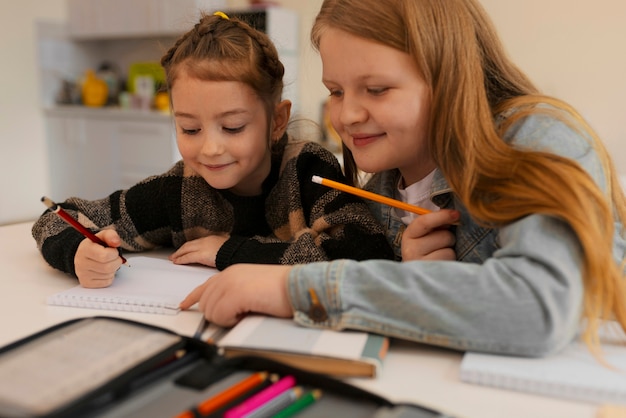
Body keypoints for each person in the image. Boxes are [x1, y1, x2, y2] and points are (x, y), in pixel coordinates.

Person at [181, 0, 626, 358]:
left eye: (377, 90)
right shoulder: (378, 192)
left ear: (448, 76)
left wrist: (293, 289)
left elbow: (535, 307)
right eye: (336, 91)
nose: (347, 115)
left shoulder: (535, 137)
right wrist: (410, 276)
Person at [32, 11, 394, 289]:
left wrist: (229, 251)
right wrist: (78, 252)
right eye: (190, 128)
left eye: (233, 127)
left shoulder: (308, 169)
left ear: (277, 122)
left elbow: (363, 255)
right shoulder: (178, 190)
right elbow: (58, 217)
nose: (210, 148)